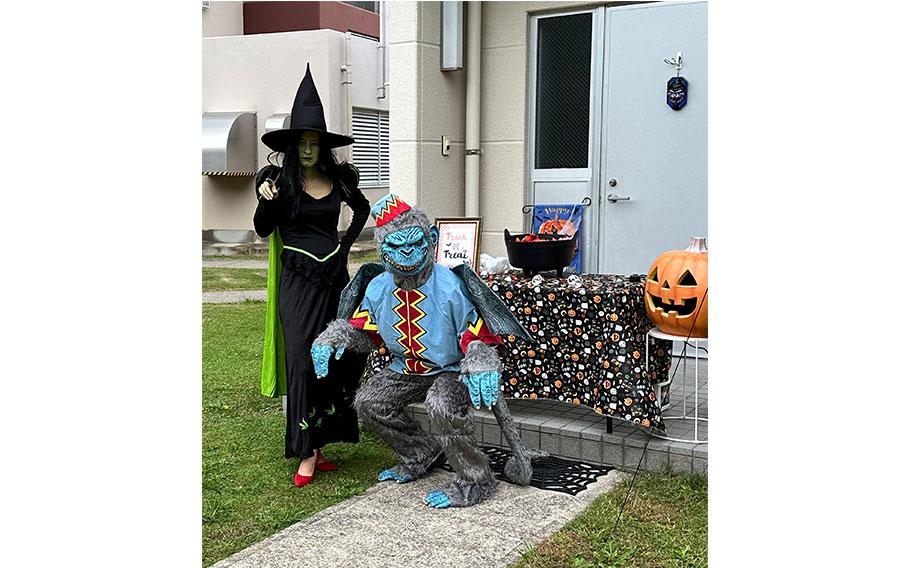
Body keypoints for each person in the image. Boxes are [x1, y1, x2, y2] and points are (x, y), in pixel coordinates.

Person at [254, 64, 370, 487]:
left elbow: (362, 209)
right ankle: (304, 451)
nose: (306, 148)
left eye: (313, 141)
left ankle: (318, 448)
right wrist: (266, 202)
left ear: (322, 145)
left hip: (333, 280)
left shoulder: (339, 178)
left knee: (334, 360)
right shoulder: (276, 182)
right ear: (291, 145)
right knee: (302, 360)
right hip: (298, 282)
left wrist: (347, 244)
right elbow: (263, 228)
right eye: (300, 142)